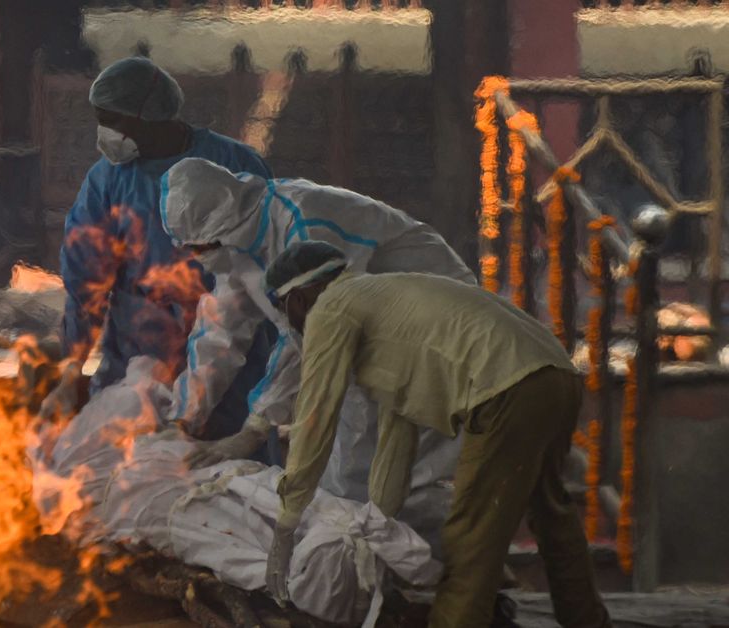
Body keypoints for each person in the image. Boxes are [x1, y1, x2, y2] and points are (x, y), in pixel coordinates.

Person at [262, 241, 611, 628]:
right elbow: (397, 439)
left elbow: (315, 414)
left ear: (295, 300)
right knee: (550, 513)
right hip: (555, 376)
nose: (290, 325)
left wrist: (286, 521)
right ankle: (588, 622)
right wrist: (380, 524)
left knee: (469, 539)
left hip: (507, 389)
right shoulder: (386, 303)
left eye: (283, 312)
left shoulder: (331, 306)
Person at [159, 157, 473, 549]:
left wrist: (257, 426)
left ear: (225, 226)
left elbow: (317, 330)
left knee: (399, 477)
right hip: (366, 344)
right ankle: (387, 568)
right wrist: (184, 415)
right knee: (352, 478)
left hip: (429, 334)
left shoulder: (305, 220)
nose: (198, 256)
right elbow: (220, 330)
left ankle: (432, 575)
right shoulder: (240, 241)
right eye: (191, 248)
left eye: (202, 247)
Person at [45, 57, 274, 441]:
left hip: (230, 352)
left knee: (230, 473)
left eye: (112, 120)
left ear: (149, 117)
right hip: (137, 352)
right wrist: (71, 371)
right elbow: (87, 282)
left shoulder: (235, 165)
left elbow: (265, 268)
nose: (104, 132)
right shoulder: (107, 180)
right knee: (129, 465)